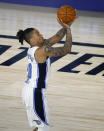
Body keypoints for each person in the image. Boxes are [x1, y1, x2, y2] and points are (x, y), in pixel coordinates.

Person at [16, 18, 74, 131]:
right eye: (38, 34)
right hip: (35, 92)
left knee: (40, 126)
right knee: (44, 128)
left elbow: (57, 37)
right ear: (32, 39)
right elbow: (67, 49)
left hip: (30, 91)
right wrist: (69, 30)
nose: (41, 35)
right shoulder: (41, 51)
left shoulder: (36, 48)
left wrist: (66, 26)